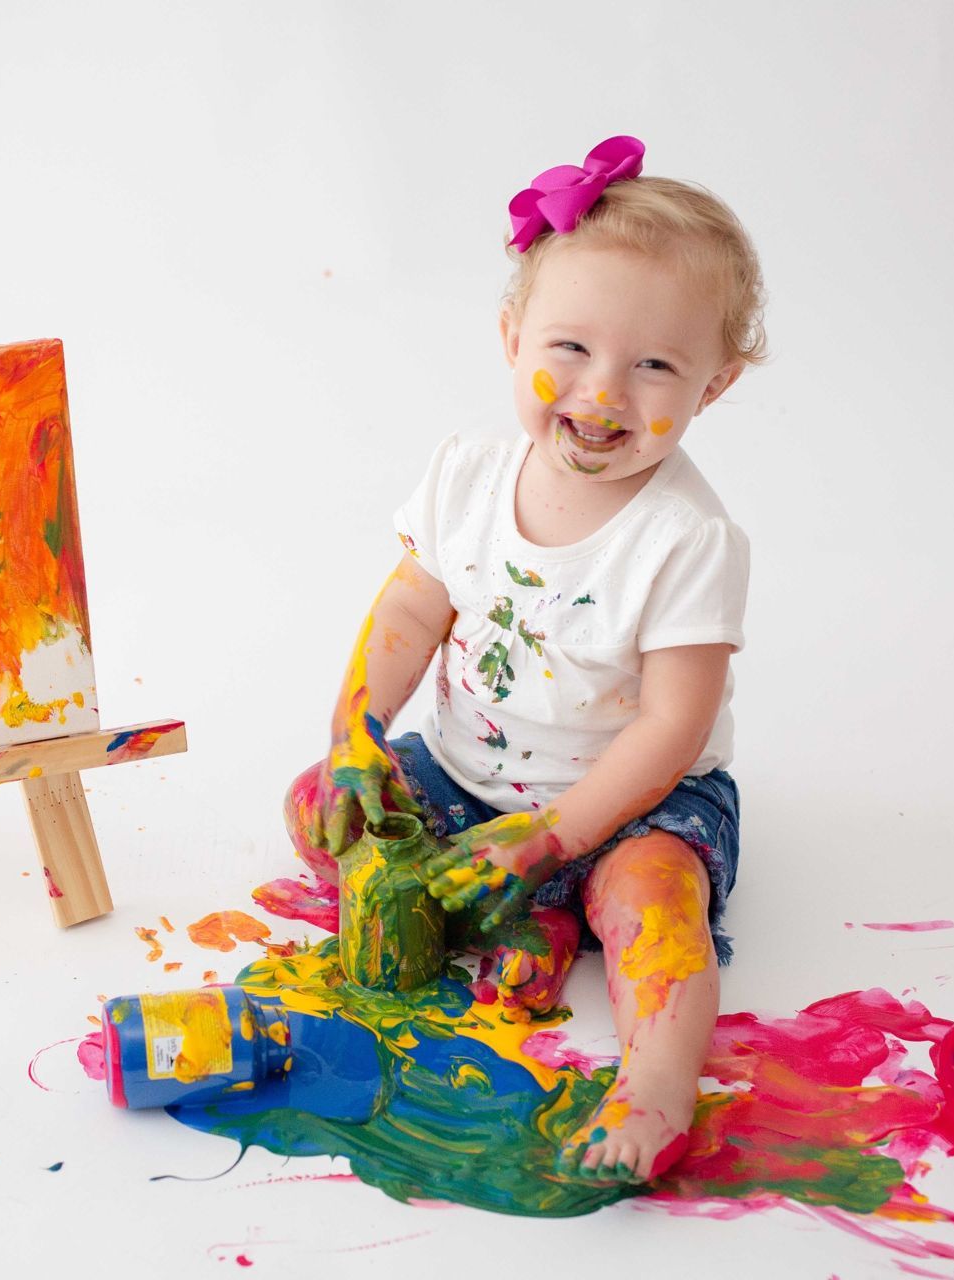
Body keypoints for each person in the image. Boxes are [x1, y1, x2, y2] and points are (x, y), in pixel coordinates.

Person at [283, 135, 765, 1184]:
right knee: (318, 802)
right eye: (573, 348)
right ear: (511, 338)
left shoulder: (687, 538)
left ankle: (655, 1086)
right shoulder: (466, 475)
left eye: (655, 366)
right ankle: (530, 920)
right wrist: (356, 731)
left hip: (629, 806)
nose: (603, 394)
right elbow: (413, 606)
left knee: (654, 908)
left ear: (714, 386)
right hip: (463, 778)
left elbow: (671, 725)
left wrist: (557, 836)